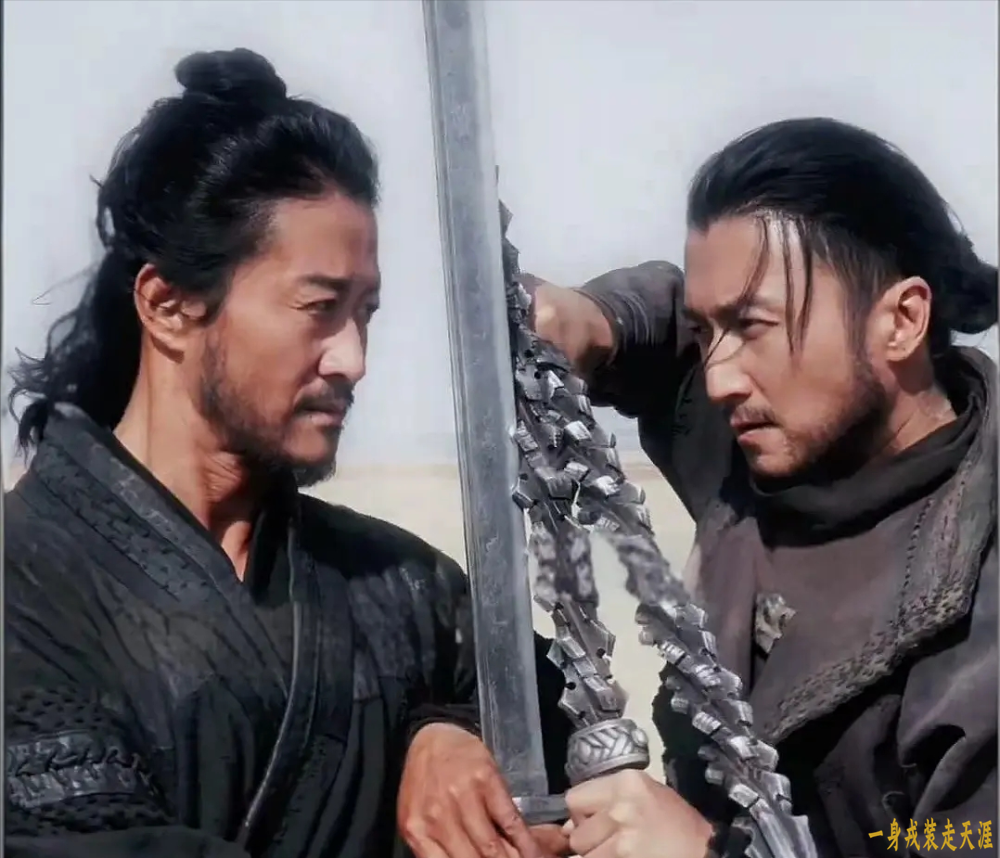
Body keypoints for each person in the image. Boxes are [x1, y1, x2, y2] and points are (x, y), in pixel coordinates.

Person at [4, 49, 573, 858]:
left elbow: (564, 750)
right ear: (167, 305)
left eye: (364, 312)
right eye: (319, 307)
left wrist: (449, 732)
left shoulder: (406, 589)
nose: (353, 359)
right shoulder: (23, 586)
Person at [527, 118, 998, 857]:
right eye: (709, 332)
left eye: (752, 326)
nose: (719, 379)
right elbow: (671, 322)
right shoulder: (777, 432)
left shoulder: (979, 622)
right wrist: (597, 321)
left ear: (903, 320)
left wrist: (707, 853)